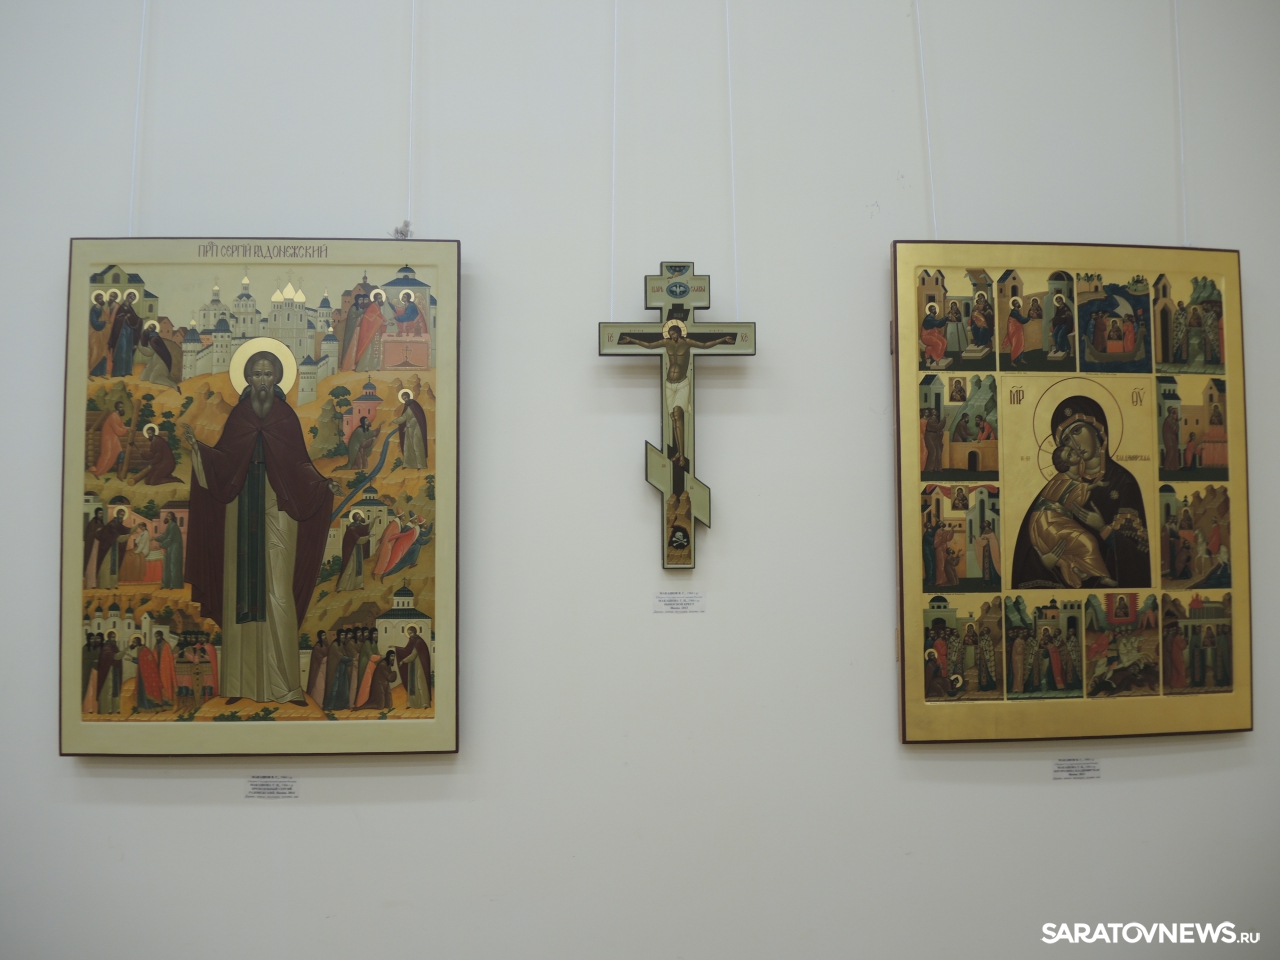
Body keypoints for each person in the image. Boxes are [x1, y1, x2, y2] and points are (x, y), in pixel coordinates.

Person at [182, 347, 337, 706]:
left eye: (268, 374)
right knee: (239, 592)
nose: (263, 381)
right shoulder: (239, 416)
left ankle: (285, 686)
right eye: (257, 374)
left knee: (278, 593)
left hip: (278, 506)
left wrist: (321, 485)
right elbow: (224, 460)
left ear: (277, 378)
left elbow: (299, 465)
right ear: (248, 378)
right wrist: (199, 450)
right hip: (240, 509)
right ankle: (240, 685)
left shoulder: (285, 416)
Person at [1011, 396, 1150, 589]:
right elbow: (1028, 545)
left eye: (1077, 431)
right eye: (1067, 439)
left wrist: (1103, 529)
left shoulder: (1123, 483)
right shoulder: (1058, 486)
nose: (1074, 444)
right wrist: (1044, 561)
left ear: (1097, 429)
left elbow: (1140, 553)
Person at [342, 289, 389, 372]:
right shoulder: (373, 306)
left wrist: (386, 322)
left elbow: (380, 316)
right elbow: (371, 318)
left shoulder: (377, 306)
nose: (381, 300)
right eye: (380, 298)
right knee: (367, 349)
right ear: (376, 299)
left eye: (381, 298)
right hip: (368, 331)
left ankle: (373, 366)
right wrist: (384, 322)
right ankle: (364, 366)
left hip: (374, 330)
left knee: (375, 348)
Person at [95, 508, 136, 589]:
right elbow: (118, 537)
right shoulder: (112, 524)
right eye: (121, 514)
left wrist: (137, 526)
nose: (122, 516)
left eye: (123, 515)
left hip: (114, 547)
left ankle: (113, 584)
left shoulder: (118, 525)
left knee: (114, 566)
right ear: (117, 514)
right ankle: (105, 584)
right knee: (107, 566)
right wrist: (127, 536)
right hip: (107, 547)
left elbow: (127, 530)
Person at [390, 389, 429, 470]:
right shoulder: (407, 407)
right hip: (409, 429)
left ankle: (420, 464)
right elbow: (404, 417)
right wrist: (394, 421)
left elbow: (416, 418)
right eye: (403, 399)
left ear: (408, 396)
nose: (405, 400)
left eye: (405, 398)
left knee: (417, 445)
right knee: (407, 446)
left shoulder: (415, 405)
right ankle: (408, 464)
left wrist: (408, 426)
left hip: (417, 429)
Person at [396, 626, 433, 709]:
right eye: (409, 634)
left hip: (420, 666)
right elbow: (406, 650)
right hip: (412, 666)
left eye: (411, 633)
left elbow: (413, 655)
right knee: (412, 685)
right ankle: (412, 704)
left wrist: (403, 661)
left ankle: (425, 703)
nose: (410, 636)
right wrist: (397, 648)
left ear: (415, 632)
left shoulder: (418, 641)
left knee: (420, 684)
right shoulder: (413, 641)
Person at [108, 290, 143, 377]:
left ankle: (127, 370)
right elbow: (118, 319)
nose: (131, 300)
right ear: (127, 297)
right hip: (121, 331)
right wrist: (124, 317)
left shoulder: (130, 308)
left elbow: (135, 319)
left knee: (128, 350)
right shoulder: (122, 307)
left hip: (129, 332)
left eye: (133, 299)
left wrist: (140, 320)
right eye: (130, 298)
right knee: (122, 350)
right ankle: (119, 372)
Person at [91, 401, 130, 477]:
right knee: (106, 455)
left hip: (114, 439)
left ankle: (119, 474)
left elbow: (121, 426)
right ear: (117, 408)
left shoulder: (118, 416)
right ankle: (97, 472)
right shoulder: (113, 416)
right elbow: (118, 430)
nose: (122, 408)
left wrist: (129, 428)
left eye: (122, 407)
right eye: (120, 407)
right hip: (107, 439)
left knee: (121, 453)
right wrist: (126, 430)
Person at [137, 322, 179, 390]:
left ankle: (174, 385)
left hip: (163, 361)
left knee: (153, 379)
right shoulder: (150, 337)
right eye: (148, 327)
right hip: (155, 359)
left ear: (153, 329)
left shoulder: (154, 339)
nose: (148, 329)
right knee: (144, 377)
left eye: (150, 328)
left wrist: (138, 347)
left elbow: (149, 352)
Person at [337, 512, 371, 592]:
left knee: (359, 567)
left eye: (360, 516)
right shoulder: (351, 528)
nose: (360, 517)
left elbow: (365, 529)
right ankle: (341, 586)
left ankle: (359, 584)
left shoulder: (359, 526)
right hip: (352, 550)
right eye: (358, 516)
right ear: (355, 518)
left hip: (358, 549)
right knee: (349, 567)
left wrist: (373, 521)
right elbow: (358, 539)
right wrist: (368, 537)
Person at [129, 637, 164, 711]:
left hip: (147, 674)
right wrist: (132, 658)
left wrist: (132, 660)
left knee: (147, 690)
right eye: (133, 642)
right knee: (141, 691)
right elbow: (141, 660)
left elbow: (145, 661)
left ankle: (150, 707)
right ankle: (142, 707)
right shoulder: (140, 649)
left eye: (135, 642)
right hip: (142, 673)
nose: (133, 643)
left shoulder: (145, 650)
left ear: (138, 642)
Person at [94, 633, 125, 715]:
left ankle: (115, 708)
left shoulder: (115, 647)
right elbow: (116, 656)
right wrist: (126, 649)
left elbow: (118, 658)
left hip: (115, 670)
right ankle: (107, 709)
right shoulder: (106, 648)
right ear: (108, 638)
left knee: (115, 690)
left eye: (114, 637)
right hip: (107, 672)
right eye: (112, 637)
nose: (113, 639)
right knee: (108, 690)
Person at [156, 512, 184, 589]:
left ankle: (174, 585)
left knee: (173, 566)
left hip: (175, 548)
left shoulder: (173, 526)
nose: (167, 517)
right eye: (167, 515)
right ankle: (166, 584)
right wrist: (155, 538)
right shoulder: (170, 525)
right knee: (167, 566)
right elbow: (165, 535)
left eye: (169, 516)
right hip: (169, 547)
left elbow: (169, 539)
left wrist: (161, 545)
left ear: (172, 517)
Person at [1001, 297, 1031, 365]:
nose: (1017, 303)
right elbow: (1021, 320)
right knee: (1015, 345)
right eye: (1016, 303)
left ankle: (1020, 359)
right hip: (1014, 331)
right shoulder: (1014, 312)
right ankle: (1012, 361)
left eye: (1017, 302)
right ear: (1014, 305)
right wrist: (1029, 318)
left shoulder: (1017, 311)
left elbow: (1021, 319)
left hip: (1018, 331)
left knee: (1021, 344)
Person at [88, 292, 111, 378]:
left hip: (102, 336)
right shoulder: (93, 310)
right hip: (94, 335)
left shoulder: (101, 309)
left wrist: (107, 323)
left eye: (102, 298)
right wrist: (104, 323)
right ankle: (90, 373)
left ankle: (101, 373)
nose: (102, 300)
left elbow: (106, 320)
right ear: (96, 300)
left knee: (103, 353)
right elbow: (94, 323)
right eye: (100, 299)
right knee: (95, 352)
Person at [305, 630, 330, 705]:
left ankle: (322, 704)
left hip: (325, 668)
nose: (324, 637)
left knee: (325, 687)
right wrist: (330, 657)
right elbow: (320, 659)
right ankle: (317, 703)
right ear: (319, 637)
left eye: (325, 635)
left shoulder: (326, 645)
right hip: (318, 669)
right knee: (319, 687)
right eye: (322, 635)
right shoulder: (317, 647)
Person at [154, 631, 178, 706]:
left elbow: (170, 659)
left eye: (158, 636)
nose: (157, 638)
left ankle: (167, 703)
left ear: (161, 636)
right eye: (155, 637)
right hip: (158, 668)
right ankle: (160, 702)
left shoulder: (166, 645)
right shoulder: (156, 645)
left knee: (166, 685)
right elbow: (154, 656)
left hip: (165, 669)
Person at [83, 508, 105, 588]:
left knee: (97, 565)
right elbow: (88, 535)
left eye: (102, 513)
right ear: (96, 514)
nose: (101, 515)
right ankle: (90, 584)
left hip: (99, 546)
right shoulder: (92, 523)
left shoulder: (102, 523)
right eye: (99, 513)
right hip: (92, 546)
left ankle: (96, 583)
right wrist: (96, 532)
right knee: (91, 564)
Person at [975, 520, 1000, 585]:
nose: (984, 524)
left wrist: (988, 540)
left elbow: (994, 541)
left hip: (991, 552)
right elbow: (981, 540)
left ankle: (993, 581)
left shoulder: (991, 532)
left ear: (987, 524)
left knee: (991, 566)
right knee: (985, 566)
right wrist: (976, 538)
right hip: (985, 551)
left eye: (985, 523)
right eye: (984, 523)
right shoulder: (984, 532)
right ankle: (986, 581)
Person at [922, 409, 944, 473]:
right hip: (929, 437)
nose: (935, 412)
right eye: (933, 412)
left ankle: (937, 468)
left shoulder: (935, 419)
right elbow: (938, 427)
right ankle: (929, 469)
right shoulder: (931, 420)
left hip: (934, 436)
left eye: (935, 411)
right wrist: (944, 419)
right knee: (933, 452)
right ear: (932, 413)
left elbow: (937, 428)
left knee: (938, 452)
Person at [1162, 407, 1181, 472]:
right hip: (1169, 439)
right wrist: (1177, 422)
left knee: (1174, 451)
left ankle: (1173, 467)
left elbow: (1175, 430)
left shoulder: (1171, 419)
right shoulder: (1168, 419)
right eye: (1173, 411)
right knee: (1170, 452)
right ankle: (1166, 467)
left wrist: (1176, 421)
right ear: (1171, 411)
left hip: (1172, 438)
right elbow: (1175, 429)